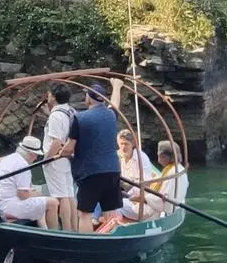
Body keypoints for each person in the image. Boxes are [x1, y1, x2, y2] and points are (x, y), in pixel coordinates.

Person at [66, 83, 122, 232]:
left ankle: (86, 245)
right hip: (113, 170)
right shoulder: (111, 114)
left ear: (88, 99)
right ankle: (110, 244)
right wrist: (117, 87)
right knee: (109, 211)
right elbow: (115, 104)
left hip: (91, 172)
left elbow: (69, 147)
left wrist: (61, 153)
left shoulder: (79, 118)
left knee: (85, 214)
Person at [40, 85, 78, 231]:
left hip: (56, 159)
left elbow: (56, 142)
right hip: (68, 158)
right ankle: (75, 228)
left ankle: (67, 231)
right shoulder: (71, 111)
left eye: (49, 95)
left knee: (61, 197)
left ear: (54, 97)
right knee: (69, 195)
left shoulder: (56, 115)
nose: (47, 97)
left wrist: (46, 160)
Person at [0, 136, 51, 228]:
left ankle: (45, 230)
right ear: (31, 154)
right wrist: (41, 194)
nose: (35, 159)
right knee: (53, 203)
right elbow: (23, 195)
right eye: (36, 155)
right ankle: (54, 234)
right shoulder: (23, 165)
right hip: (10, 207)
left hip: (0, 203)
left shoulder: (9, 158)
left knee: (40, 204)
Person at [117, 129, 159, 221]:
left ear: (133, 144)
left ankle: (114, 227)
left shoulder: (141, 159)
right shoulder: (119, 155)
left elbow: (146, 185)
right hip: (127, 195)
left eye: (126, 144)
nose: (123, 147)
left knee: (113, 203)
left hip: (141, 202)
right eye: (121, 144)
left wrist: (128, 195)